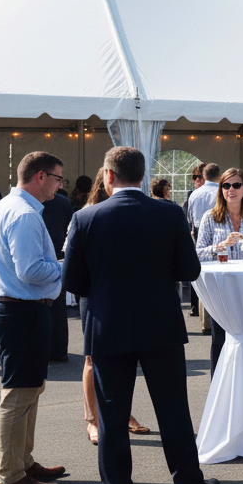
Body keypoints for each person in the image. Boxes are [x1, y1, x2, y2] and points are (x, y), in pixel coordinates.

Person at [63, 146, 220, 484]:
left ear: (108, 176)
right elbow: (189, 270)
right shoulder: (167, 213)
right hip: (160, 324)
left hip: (108, 325)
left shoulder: (86, 218)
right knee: (173, 410)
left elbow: (73, 280)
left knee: (112, 415)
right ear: (143, 175)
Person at [0, 151, 67, 484]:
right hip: (21, 309)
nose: (62, 185)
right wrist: (65, 266)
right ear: (41, 176)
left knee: (28, 389)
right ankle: (10, 473)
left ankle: (21, 461)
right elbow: (30, 271)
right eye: (59, 178)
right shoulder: (24, 215)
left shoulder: (9, 206)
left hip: (13, 308)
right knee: (19, 394)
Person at [77, 175, 150, 444]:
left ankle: (123, 413)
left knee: (123, 360)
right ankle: (92, 419)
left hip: (124, 295)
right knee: (92, 359)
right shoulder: (87, 214)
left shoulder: (131, 211)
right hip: (96, 295)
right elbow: (73, 262)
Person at [195, 167, 243, 377]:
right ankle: (218, 388)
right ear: (221, 190)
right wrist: (220, 246)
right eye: (226, 185)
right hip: (221, 288)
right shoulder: (211, 217)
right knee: (220, 340)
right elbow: (198, 254)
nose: (231, 189)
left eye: (236, 185)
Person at [40, 190, 73, 363]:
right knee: (57, 306)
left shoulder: (60, 201)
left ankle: (51, 349)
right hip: (57, 258)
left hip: (46, 257)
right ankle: (59, 350)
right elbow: (70, 228)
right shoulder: (63, 201)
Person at [185, 163, 220, 328]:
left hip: (198, 231)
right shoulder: (221, 191)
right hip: (218, 230)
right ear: (219, 176)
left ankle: (200, 313)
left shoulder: (194, 194)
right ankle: (215, 314)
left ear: (203, 176)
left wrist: (193, 230)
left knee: (200, 270)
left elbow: (190, 216)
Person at [182, 164, 207, 318]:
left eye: (200, 177)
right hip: (195, 232)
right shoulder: (192, 194)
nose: (197, 180)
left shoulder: (218, 191)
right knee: (195, 268)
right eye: (194, 177)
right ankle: (195, 305)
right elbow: (187, 213)